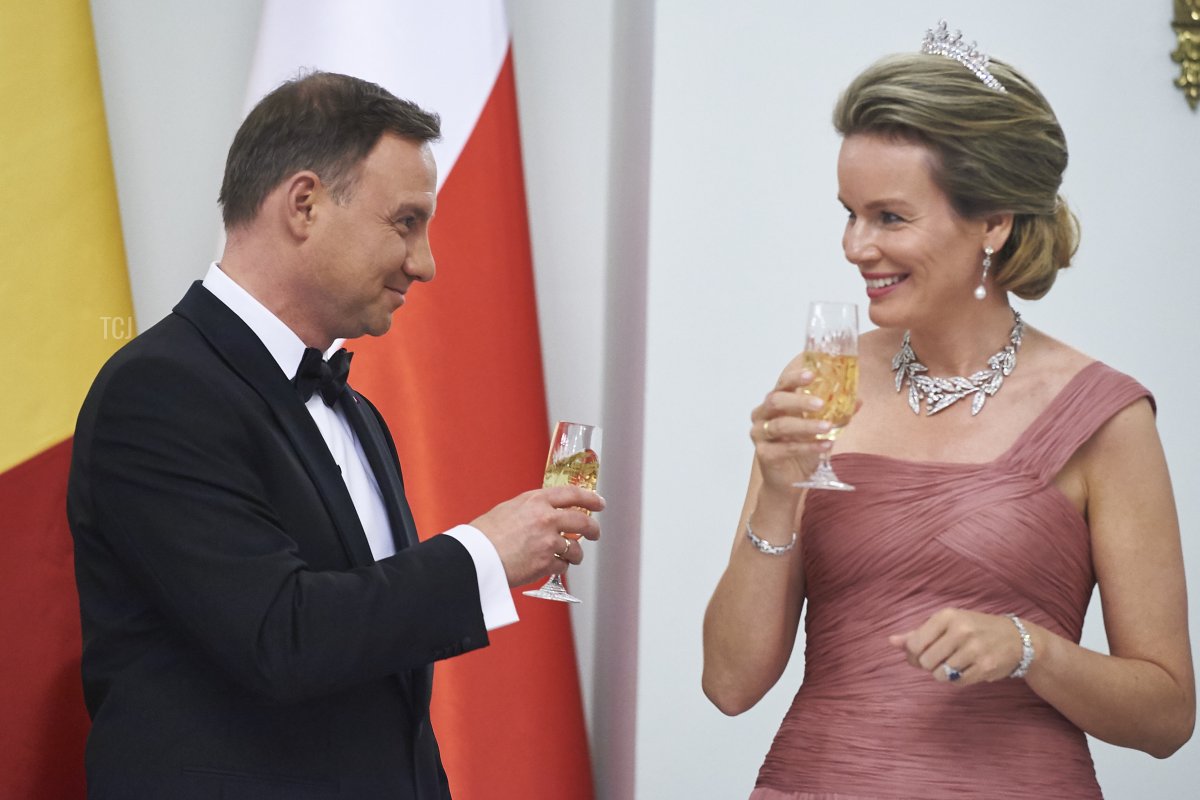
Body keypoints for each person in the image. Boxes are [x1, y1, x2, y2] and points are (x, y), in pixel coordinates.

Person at [67, 71, 602, 799]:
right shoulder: (158, 392)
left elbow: (378, 678)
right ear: (305, 204)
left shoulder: (358, 413)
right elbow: (281, 638)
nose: (426, 263)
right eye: (405, 221)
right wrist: (483, 554)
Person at [702, 21, 1194, 799]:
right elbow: (729, 685)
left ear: (993, 222)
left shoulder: (1105, 418)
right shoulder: (822, 384)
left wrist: (1033, 650)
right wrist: (775, 488)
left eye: (890, 218)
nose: (855, 246)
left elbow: (1168, 716)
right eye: (849, 212)